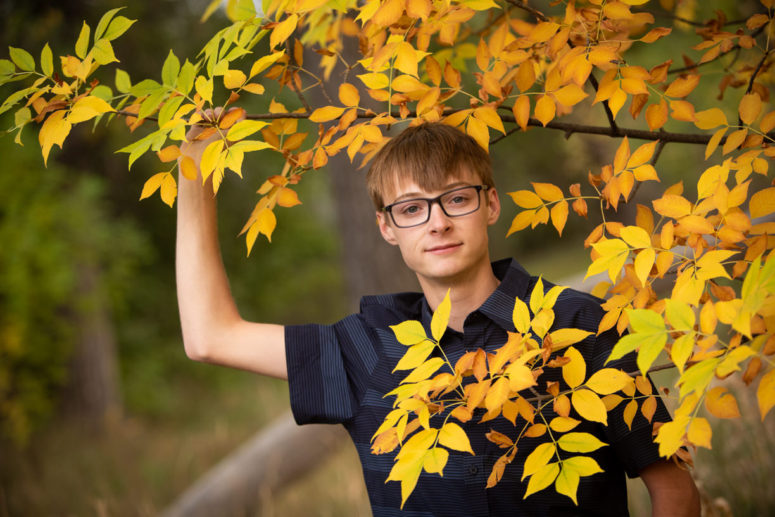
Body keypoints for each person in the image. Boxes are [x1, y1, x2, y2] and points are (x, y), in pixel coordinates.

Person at [176, 114, 701, 516]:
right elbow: (210, 337)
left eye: (456, 198)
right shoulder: (365, 347)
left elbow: (673, 487)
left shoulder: (578, 325)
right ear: (387, 227)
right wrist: (193, 169)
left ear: (490, 204)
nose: (438, 222)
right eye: (412, 208)